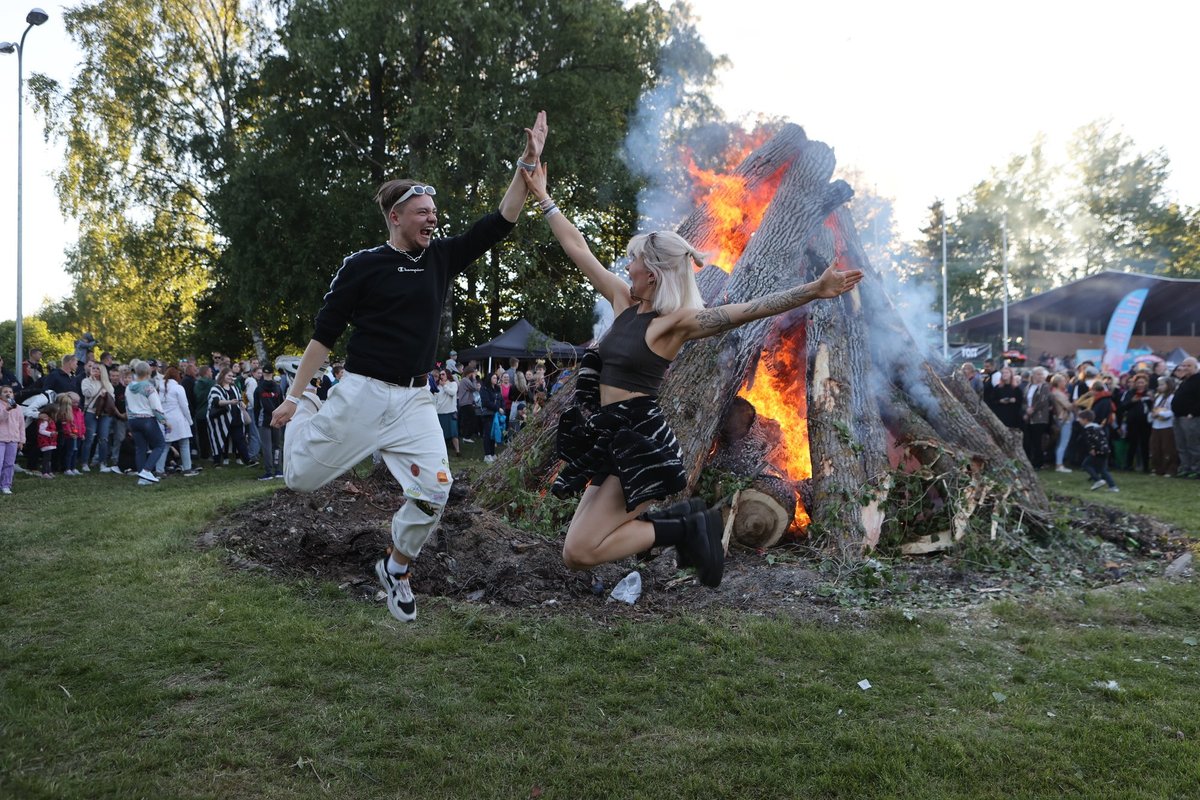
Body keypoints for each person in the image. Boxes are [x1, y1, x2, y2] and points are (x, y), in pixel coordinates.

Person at [520, 162, 863, 587]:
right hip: (609, 437)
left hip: (639, 441)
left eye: (634, 262)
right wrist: (544, 198)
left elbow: (740, 313)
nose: (627, 268)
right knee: (576, 550)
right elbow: (578, 249)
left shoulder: (673, 324)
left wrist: (812, 290)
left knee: (580, 552)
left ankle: (688, 528)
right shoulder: (623, 302)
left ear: (654, 272)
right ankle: (683, 524)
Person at [270, 110, 548, 623]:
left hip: (416, 400)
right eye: (422, 212)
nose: (433, 219)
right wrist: (294, 395)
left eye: (435, 213)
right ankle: (309, 405)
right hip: (363, 393)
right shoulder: (362, 266)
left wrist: (525, 165)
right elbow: (323, 337)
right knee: (300, 482)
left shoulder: (441, 258)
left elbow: (501, 222)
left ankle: (396, 568)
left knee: (436, 490)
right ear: (396, 217)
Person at [126, 360, 170, 485]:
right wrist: (165, 422)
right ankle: (146, 470)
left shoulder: (129, 387)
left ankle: (142, 478)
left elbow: (127, 406)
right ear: (148, 371)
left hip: (133, 420)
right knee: (160, 445)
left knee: (140, 448)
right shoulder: (149, 387)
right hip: (146, 420)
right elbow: (156, 407)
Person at [157, 366, 198, 476]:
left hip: (165, 420)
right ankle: (187, 469)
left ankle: (159, 470)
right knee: (184, 444)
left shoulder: (160, 388)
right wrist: (190, 420)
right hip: (178, 419)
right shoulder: (178, 388)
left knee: (165, 445)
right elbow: (184, 406)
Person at [207, 367, 252, 467]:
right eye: (229, 376)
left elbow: (239, 399)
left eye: (232, 376)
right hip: (221, 419)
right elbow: (216, 401)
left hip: (236, 418)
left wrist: (242, 404)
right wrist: (230, 402)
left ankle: (247, 460)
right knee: (218, 439)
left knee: (240, 439)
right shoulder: (216, 388)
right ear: (223, 376)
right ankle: (217, 461)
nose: (231, 378)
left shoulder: (234, 387)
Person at [253, 366, 285, 480]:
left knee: (266, 446)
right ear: (272, 373)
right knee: (277, 446)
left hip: (264, 420)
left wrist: (257, 421)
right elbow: (282, 404)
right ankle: (278, 469)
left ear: (263, 373)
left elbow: (256, 407)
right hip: (276, 419)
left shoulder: (259, 388)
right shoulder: (277, 388)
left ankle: (268, 471)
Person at [1172, 357, 1200, 478]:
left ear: (1195, 367)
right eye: (1184, 365)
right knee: (1181, 445)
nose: (1185, 368)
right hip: (1178, 416)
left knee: (1193, 444)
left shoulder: (1198, 380)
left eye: (1189, 366)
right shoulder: (1185, 380)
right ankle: (1185, 467)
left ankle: (1196, 469)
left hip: (1190, 417)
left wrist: (1193, 413)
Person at [1078, 409, 1118, 492]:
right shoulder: (1098, 427)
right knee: (1103, 469)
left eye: (1080, 419)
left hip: (1098, 451)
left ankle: (1098, 480)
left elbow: (1090, 440)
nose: (1079, 421)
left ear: (1085, 420)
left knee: (1086, 465)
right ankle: (1113, 486)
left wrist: (1092, 449)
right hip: (1105, 450)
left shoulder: (1088, 429)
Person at [1148, 377, 1178, 477]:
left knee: (1168, 448)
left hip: (1167, 426)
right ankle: (1157, 468)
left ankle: (1170, 469)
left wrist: (1161, 413)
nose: (1159, 387)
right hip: (1156, 425)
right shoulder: (1158, 397)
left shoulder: (1172, 397)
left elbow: (1173, 412)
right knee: (1155, 447)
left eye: (1162, 385)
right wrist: (1152, 415)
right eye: (1159, 385)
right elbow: (1153, 409)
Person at [0, 385, 25, 494]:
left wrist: (21, 439)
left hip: (13, 439)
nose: (8, 393)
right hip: (1, 438)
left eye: (10, 391)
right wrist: (7, 409)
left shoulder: (18, 407)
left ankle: (6, 485)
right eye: (5, 392)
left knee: (9, 463)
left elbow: (21, 424)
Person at [1049, 374, 1074, 473]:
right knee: (1063, 442)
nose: (1065, 383)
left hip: (1062, 419)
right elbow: (1068, 406)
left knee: (1060, 442)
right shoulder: (1058, 393)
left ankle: (1058, 463)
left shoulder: (1057, 393)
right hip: (1064, 420)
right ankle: (1059, 465)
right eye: (1063, 381)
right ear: (1058, 383)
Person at [434, 369, 460, 456]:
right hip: (440, 412)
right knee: (441, 434)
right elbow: (435, 399)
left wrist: (444, 385)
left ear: (448, 375)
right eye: (440, 374)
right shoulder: (438, 386)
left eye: (443, 374)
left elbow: (452, 393)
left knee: (454, 433)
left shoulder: (453, 384)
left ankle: (457, 451)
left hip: (451, 412)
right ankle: (442, 452)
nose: (441, 376)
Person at [479, 371, 503, 463]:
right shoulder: (484, 389)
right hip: (487, 414)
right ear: (489, 379)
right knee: (487, 435)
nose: (496, 379)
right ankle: (487, 454)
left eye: (496, 378)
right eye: (494, 378)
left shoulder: (497, 388)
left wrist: (502, 408)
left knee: (493, 435)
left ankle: (492, 453)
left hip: (495, 414)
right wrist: (498, 408)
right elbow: (486, 402)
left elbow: (501, 399)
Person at [456, 366, 480, 442]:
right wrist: (474, 378)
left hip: (465, 402)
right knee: (472, 419)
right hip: (466, 403)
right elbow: (474, 388)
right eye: (473, 373)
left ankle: (465, 436)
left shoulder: (464, 380)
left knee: (467, 420)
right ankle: (466, 436)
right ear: (469, 373)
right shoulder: (465, 380)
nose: (474, 374)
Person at [36, 411, 57, 478]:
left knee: (49, 458)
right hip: (46, 442)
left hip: (50, 442)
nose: (45, 418)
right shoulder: (44, 422)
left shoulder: (50, 422)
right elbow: (41, 431)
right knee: (46, 458)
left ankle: (48, 471)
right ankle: (44, 472)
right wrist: (50, 433)